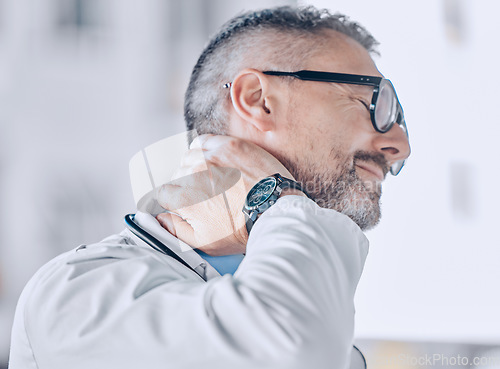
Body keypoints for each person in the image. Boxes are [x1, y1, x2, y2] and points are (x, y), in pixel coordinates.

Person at [8, 5, 410, 369]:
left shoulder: (328, 321)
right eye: (373, 104)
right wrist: (274, 196)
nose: (400, 146)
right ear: (258, 100)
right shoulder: (75, 295)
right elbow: (287, 349)